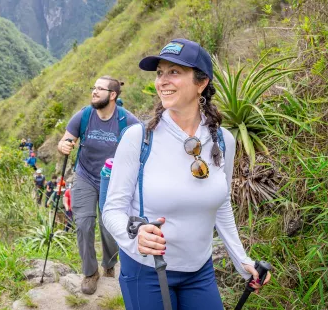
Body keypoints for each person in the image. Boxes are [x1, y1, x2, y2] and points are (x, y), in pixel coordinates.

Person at [102, 39, 271, 309]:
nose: (162, 81)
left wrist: (242, 260)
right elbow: (112, 210)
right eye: (160, 73)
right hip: (147, 271)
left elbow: (221, 203)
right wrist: (135, 236)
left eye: (174, 72)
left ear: (201, 83)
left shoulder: (223, 141)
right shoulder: (139, 138)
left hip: (199, 271)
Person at [58, 76, 139, 295]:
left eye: (100, 89)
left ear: (112, 95)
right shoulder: (84, 115)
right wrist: (64, 146)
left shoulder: (127, 121)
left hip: (112, 179)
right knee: (83, 224)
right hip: (84, 176)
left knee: (109, 225)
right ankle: (90, 273)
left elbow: (142, 146)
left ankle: (109, 264)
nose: (94, 92)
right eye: (93, 88)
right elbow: (66, 139)